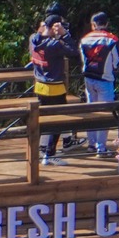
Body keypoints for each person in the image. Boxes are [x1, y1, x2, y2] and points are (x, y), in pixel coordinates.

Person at [28, 14, 80, 162]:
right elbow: (74, 52)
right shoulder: (54, 45)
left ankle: (39, 151)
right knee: (59, 121)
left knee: (43, 120)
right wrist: (64, 35)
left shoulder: (34, 40)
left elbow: (38, 37)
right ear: (55, 27)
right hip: (55, 88)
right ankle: (50, 154)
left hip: (40, 86)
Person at [78, 12, 119, 156]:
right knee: (104, 114)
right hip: (105, 79)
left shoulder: (84, 39)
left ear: (93, 25)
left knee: (92, 111)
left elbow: (84, 59)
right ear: (106, 24)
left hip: (89, 78)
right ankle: (101, 148)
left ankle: (91, 144)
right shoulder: (112, 39)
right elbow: (117, 61)